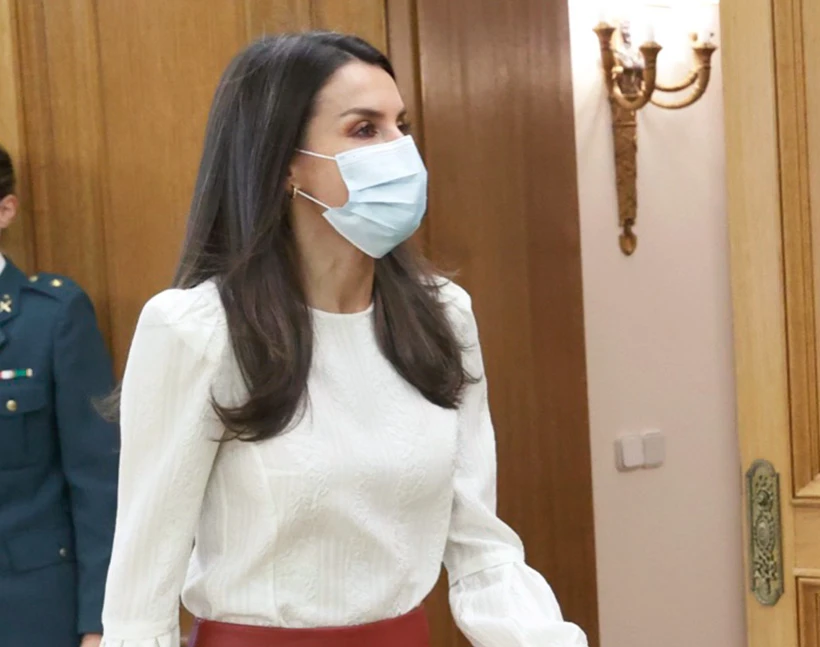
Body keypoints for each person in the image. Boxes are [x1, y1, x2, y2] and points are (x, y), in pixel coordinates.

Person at [101, 32, 589, 647]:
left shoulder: (444, 315)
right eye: (364, 129)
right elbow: (140, 603)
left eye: (400, 126)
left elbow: (482, 552)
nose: (400, 151)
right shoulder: (195, 330)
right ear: (285, 162)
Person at [0, 145, 119, 647]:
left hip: (29, 612)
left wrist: (99, 623)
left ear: (6, 210)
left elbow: (98, 481)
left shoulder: (52, 317)